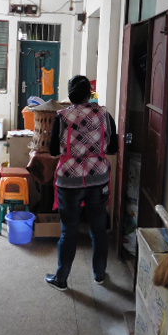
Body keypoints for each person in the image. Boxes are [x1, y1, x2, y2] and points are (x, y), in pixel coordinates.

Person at [45, 75, 118, 291]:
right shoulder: (104, 115)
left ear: (70, 96)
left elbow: (52, 150)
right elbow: (113, 148)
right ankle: (99, 275)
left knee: (69, 231)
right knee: (98, 229)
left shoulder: (62, 117)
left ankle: (62, 278)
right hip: (98, 179)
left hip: (69, 181)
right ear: (89, 94)